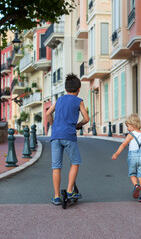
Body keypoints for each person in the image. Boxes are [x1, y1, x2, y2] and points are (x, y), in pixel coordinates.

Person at [46, 73, 89, 205]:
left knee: (56, 166)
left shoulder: (59, 100)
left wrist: (54, 124)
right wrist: (78, 125)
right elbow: (86, 118)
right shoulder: (79, 101)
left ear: (65, 89)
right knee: (75, 162)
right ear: (78, 89)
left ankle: (57, 196)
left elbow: (47, 113)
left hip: (56, 136)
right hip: (69, 135)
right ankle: (70, 190)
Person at [112, 114, 141, 202]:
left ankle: (136, 185)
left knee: (132, 174)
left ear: (133, 125)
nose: (127, 128)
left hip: (132, 156)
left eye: (128, 126)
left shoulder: (130, 135)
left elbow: (124, 145)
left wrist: (116, 154)